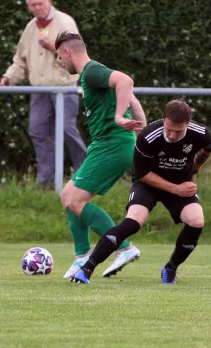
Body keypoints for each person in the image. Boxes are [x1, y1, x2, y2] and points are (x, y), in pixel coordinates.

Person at [70, 99, 211, 284]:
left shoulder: (202, 133)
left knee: (196, 221)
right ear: (164, 119)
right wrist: (176, 189)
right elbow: (142, 174)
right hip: (148, 184)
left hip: (179, 185)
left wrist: (195, 168)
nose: (171, 135)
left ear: (188, 124)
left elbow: (209, 147)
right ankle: (86, 269)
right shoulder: (148, 136)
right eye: (168, 129)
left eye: (178, 131)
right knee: (133, 222)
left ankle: (170, 269)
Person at [54, 31, 147, 279]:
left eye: (59, 58)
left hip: (112, 144)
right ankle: (82, 256)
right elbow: (131, 96)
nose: (60, 64)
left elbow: (126, 82)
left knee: (76, 201)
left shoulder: (91, 71)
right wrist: (141, 125)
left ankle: (123, 248)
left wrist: (119, 118)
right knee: (68, 195)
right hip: (110, 143)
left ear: (67, 51)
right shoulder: (96, 72)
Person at [0, 0, 87, 187]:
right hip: (39, 90)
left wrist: (53, 47)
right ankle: (46, 179)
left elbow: (77, 56)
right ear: (29, 7)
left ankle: (86, 175)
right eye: (33, 5)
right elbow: (20, 60)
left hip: (64, 88)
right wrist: (7, 78)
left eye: (40, 4)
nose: (37, 8)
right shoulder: (30, 28)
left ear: (49, 1)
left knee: (67, 130)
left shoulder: (65, 22)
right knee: (37, 130)